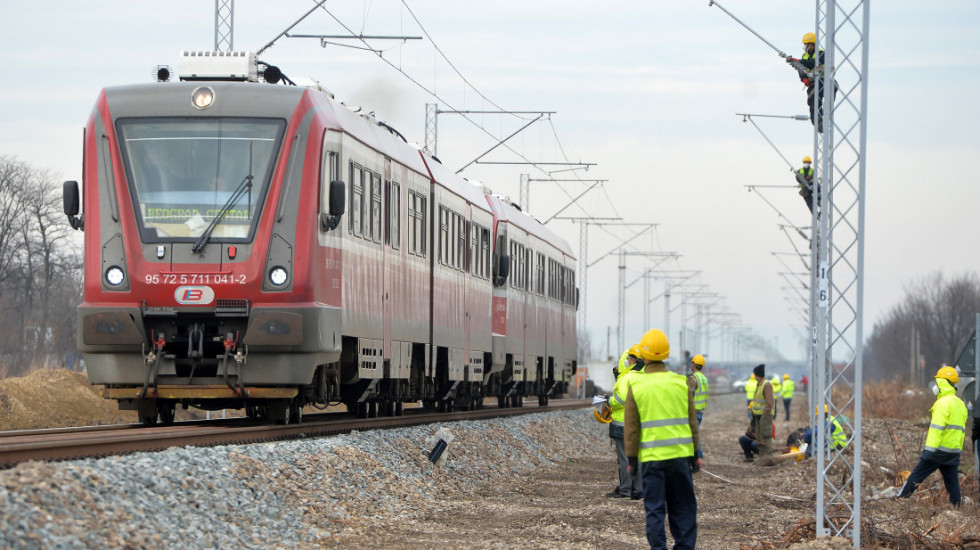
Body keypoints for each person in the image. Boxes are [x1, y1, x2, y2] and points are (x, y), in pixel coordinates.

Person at [625, 329, 699, 550]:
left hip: (652, 460)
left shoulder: (636, 386)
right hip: (680, 458)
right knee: (683, 507)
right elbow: (692, 422)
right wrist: (696, 454)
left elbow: (631, 429)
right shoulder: (680, 382)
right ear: (666, 354)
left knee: (655, 509)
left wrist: (632, 461)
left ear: (644, 356)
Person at [898, 366, 969, 506]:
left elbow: (936, 430)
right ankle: (957, 508)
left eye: (938, 381)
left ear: (943, 382)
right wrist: (957, 451)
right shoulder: (960, 404)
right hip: (953, 451)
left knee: (916, 475)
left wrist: (928, 452)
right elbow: (961, 431)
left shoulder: (942, 403)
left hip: (937, 451)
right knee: (953, 484)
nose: (936, 385)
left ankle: (900, 500)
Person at [607, 345, 644, 500]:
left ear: (634, 360)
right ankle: (638, 490)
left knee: (624, 459)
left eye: (629, 358)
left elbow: (620, 400)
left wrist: (608, 401)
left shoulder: (627, 378)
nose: (627, 360)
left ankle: (625, 490)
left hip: (622, 423)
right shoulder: (645, 378)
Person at [785, 32, 835, 133]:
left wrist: (799, 61)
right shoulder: (805, 56)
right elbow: (802, 70)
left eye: (808, 45)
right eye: (805, 45)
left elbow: (814, 64)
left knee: (832, 87)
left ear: (813, 44)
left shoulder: (821, 54)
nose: (806, 47)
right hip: (813, 83)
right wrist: (804, 79)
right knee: (812, 101)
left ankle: (826, 111)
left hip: (823, 80)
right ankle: (818, 122)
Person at [748, 364, 775, 455]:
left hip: (764, 415)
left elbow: (770, 402)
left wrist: (765, 413)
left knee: (765, 435)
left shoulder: (766, 385)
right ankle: (762, 456)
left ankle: (767, 456)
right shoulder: (759, 384)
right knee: (759, 436)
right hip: (758, 415)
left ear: (757, 374)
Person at [688, 354, 709, 461]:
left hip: (694, 411)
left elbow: (689, 395)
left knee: (692, 434)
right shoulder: (703, 378)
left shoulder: (693, 378)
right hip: (701, 410)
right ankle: (697, 454)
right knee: (695, 432)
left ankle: (697, 455)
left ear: (694, 364)